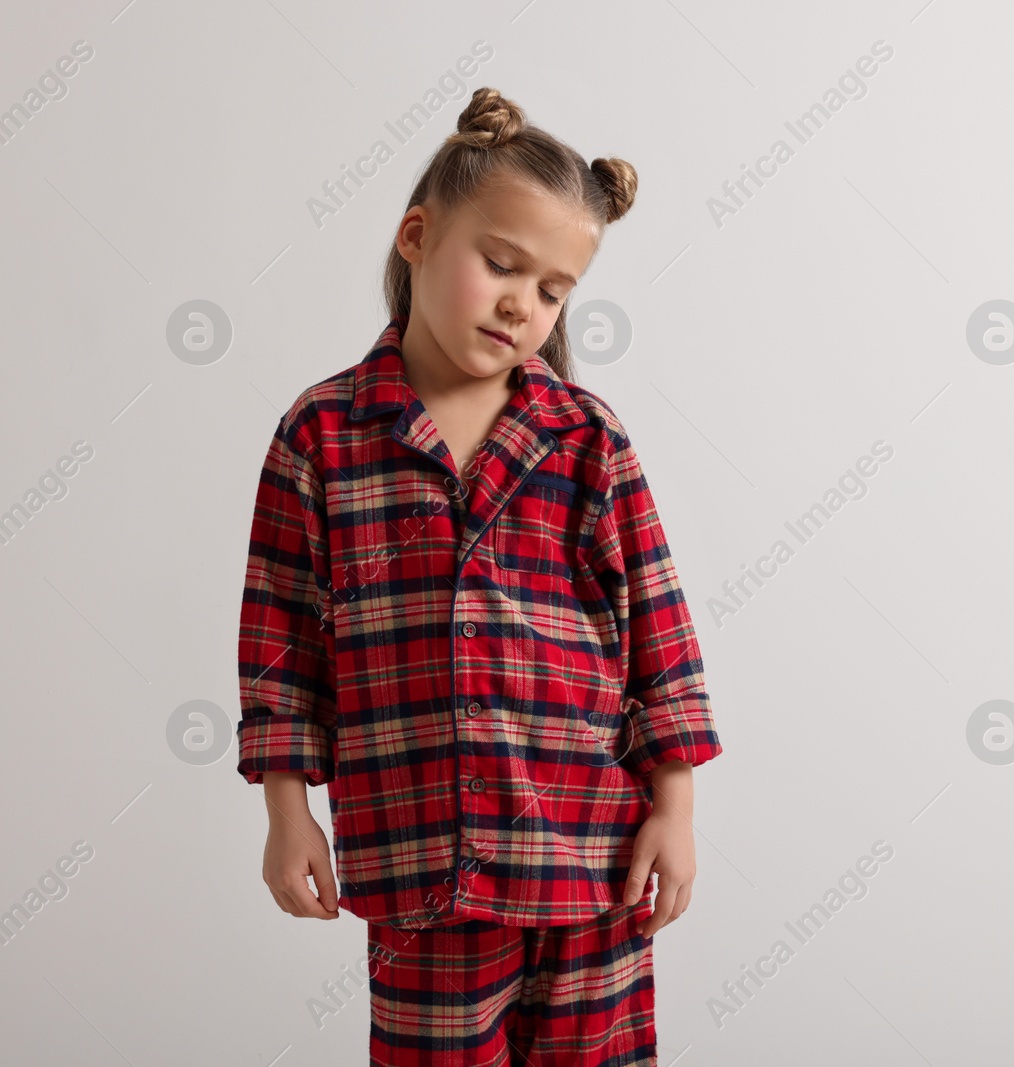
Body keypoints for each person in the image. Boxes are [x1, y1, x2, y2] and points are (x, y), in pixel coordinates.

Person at [234, 86, 723, 1065]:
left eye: (552, 289)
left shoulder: (587, 438)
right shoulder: (323, 435)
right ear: (418, 236)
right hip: (422, 871)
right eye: (501, 264)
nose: (522, 304)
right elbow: (280, 641)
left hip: (591, 863)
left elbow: (659, 635)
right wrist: (287, 812)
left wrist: (674, 809)